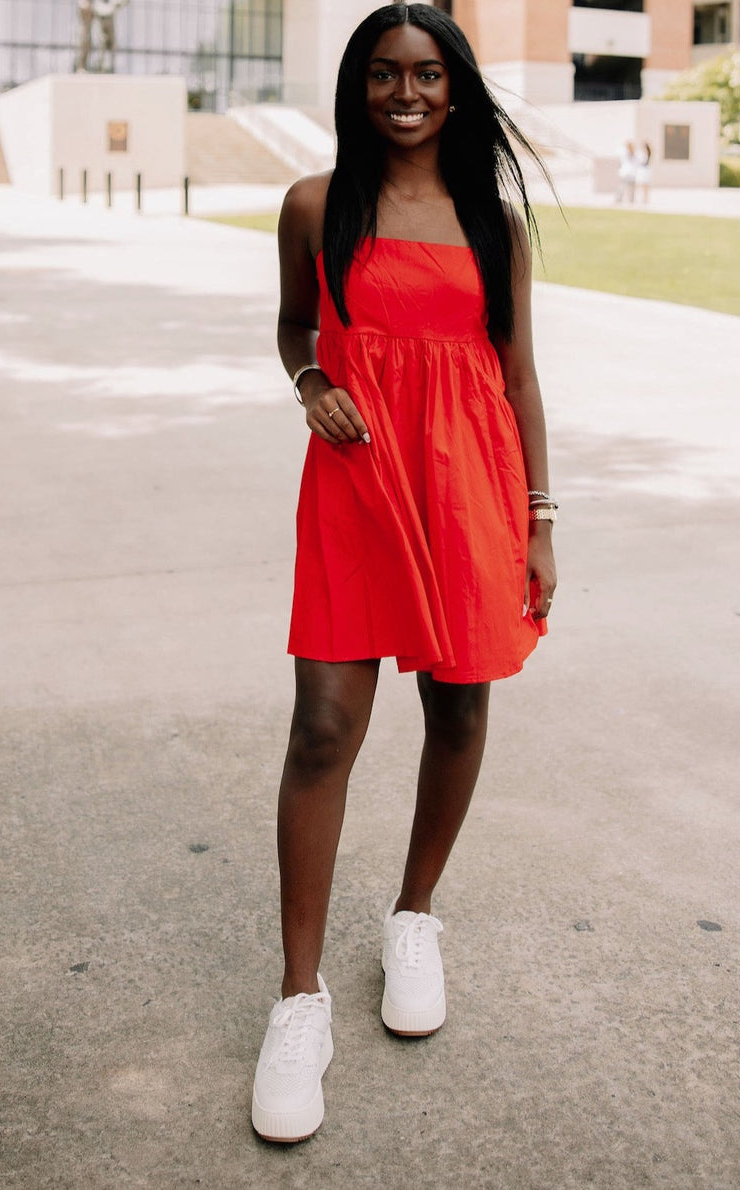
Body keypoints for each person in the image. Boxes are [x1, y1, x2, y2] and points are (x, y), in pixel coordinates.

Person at [252, 3, 558, 1144]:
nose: (405, 93)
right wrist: (308, 381)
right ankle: (299, 996)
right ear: (358, 86)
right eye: (383, 74)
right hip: (356, 479)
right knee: (323, 726)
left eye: (426, 74)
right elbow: (294, 327)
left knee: (460, 705)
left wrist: (537, 518)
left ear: (457, 87)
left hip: (471, 483)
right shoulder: (314, 206)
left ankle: (414, 915)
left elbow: (520, 378)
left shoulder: (495, 224)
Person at [615, 139, 637, 203]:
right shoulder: (625, 153)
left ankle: (631, 200)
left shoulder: (634, 154)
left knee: (630, 188)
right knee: (622, 187)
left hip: (631, 173)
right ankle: (620, 199)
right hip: (626, 173)